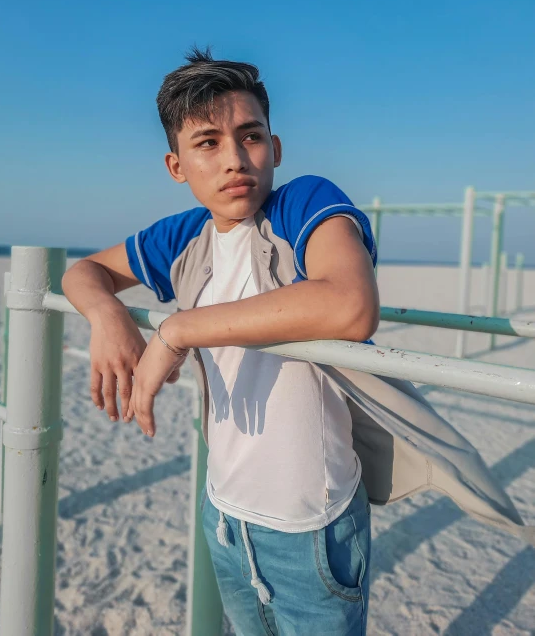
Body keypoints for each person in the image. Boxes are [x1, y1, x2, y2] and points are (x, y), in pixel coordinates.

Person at [62, 48, 532, 636]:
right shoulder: (183, 236)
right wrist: (109, 316)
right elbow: (82, 271)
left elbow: (351, 305)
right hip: (225, 514)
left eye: (250, 136)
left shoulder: (302, 203)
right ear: (176, 165)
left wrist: (176, 330)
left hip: (314, 527)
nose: (235, 159)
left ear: (275, 147)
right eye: (207, 142)